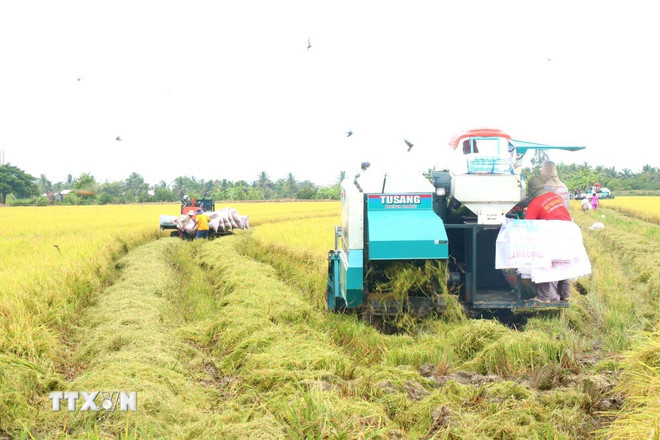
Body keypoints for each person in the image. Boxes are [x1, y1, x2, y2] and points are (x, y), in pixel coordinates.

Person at [525, 177, 572, 303]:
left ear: (530, 190)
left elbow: (528, 225)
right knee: (563, 263)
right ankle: (565, 295)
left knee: (541, 260)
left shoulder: (534, 203)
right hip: (569, 234)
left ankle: (543, 297)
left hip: (552, 237)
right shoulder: (555, 196)